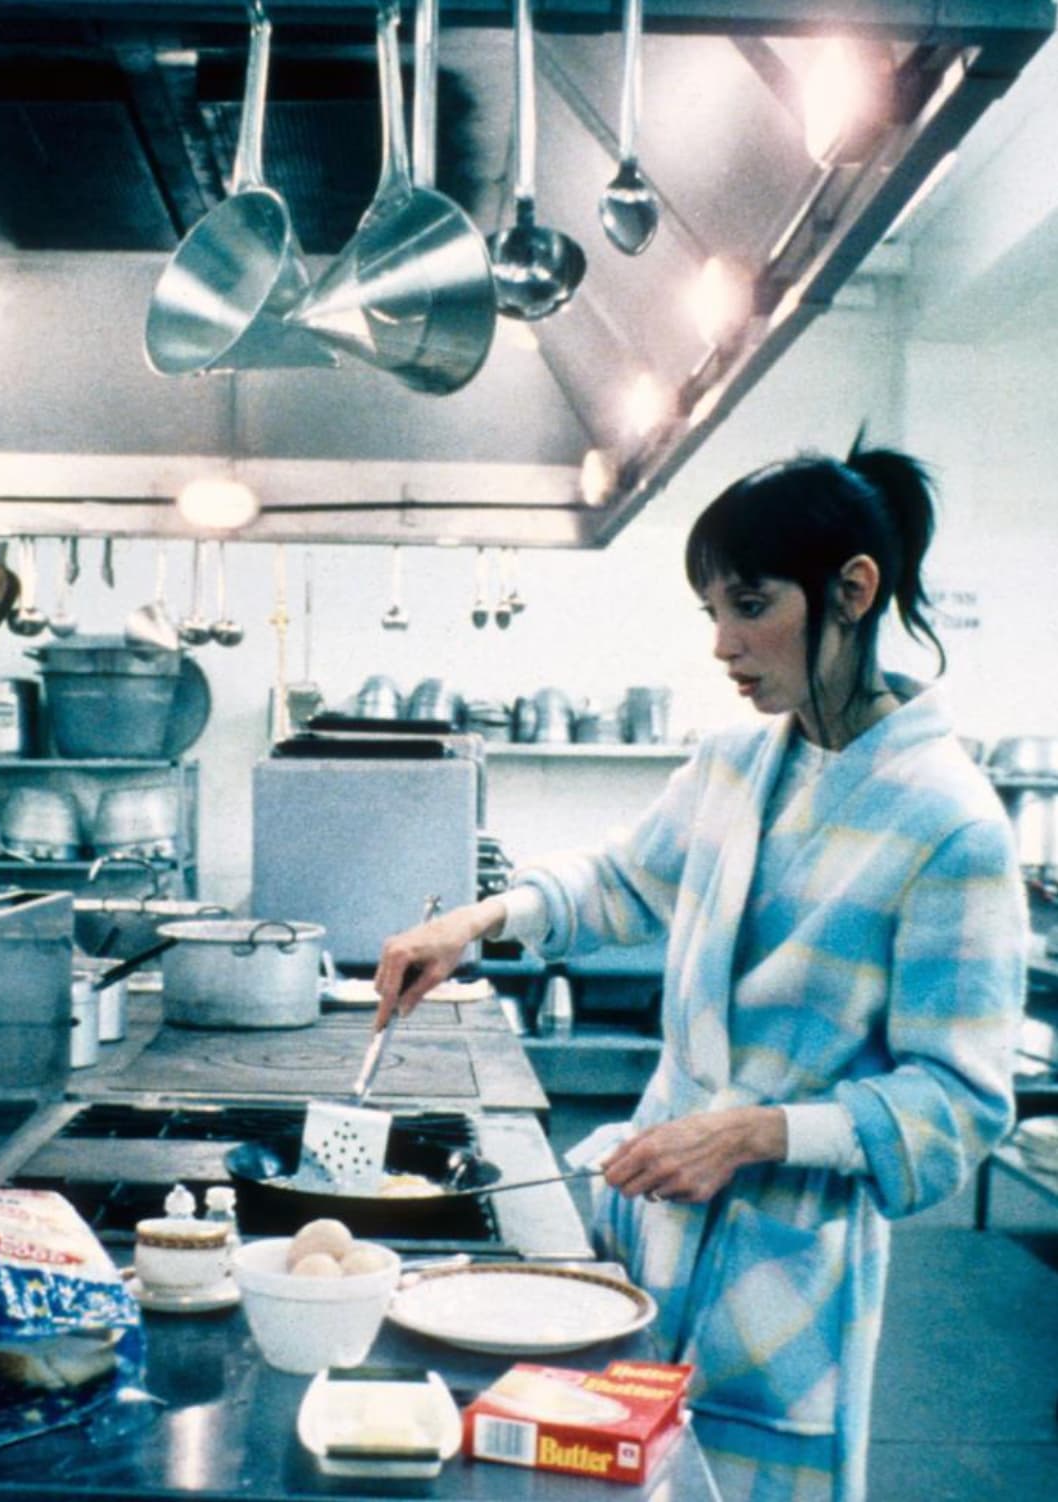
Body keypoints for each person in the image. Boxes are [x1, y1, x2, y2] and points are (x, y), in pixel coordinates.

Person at [373, 441, 1026, 1502]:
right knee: (612, 1477)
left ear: (852, 590)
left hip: (784, 1264)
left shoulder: (948, 823)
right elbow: (621, 883)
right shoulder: (737, 761)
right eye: (710, 611)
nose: (723, 643)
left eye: (750, 605)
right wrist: (478, 921)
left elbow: (957, 1100)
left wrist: (755, 1132)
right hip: (650, 1222)